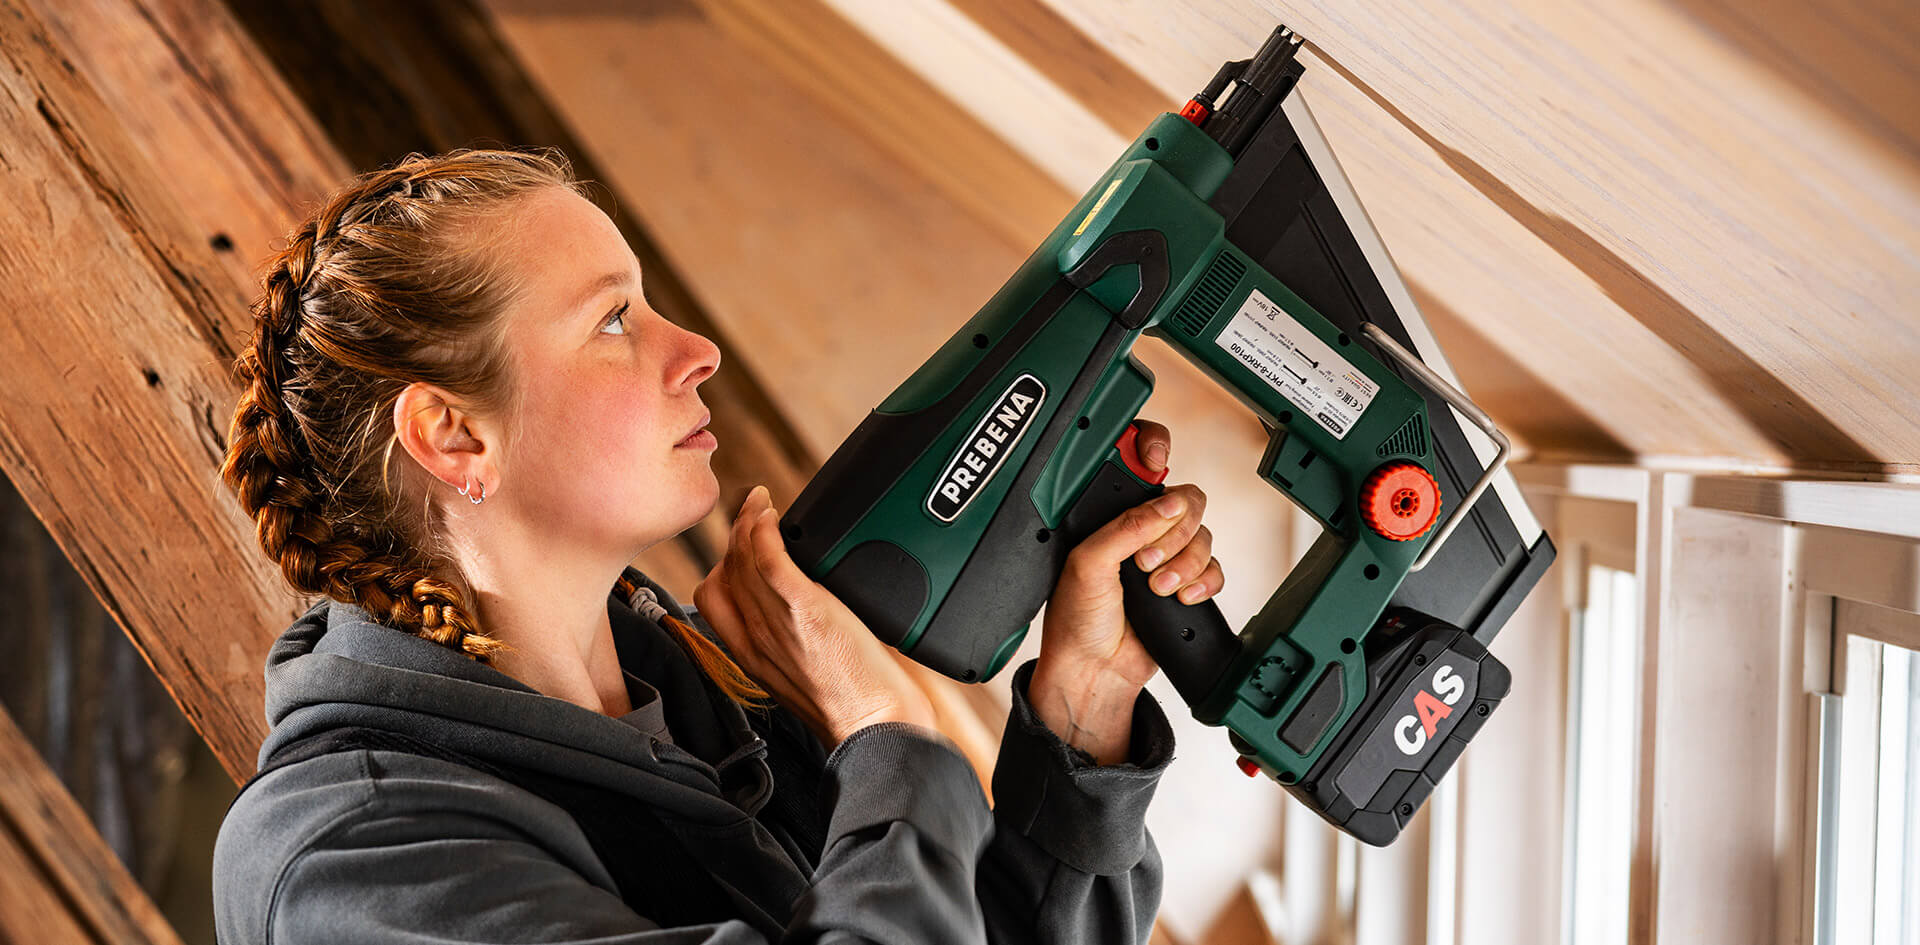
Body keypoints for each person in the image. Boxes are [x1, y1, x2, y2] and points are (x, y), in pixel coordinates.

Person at [210, 147, 1225, 945]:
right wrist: (884, 733)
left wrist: (1085, 716)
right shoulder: (350, 863)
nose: (696, 353)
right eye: (613, 320)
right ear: (453, 435)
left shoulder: (702, 697)